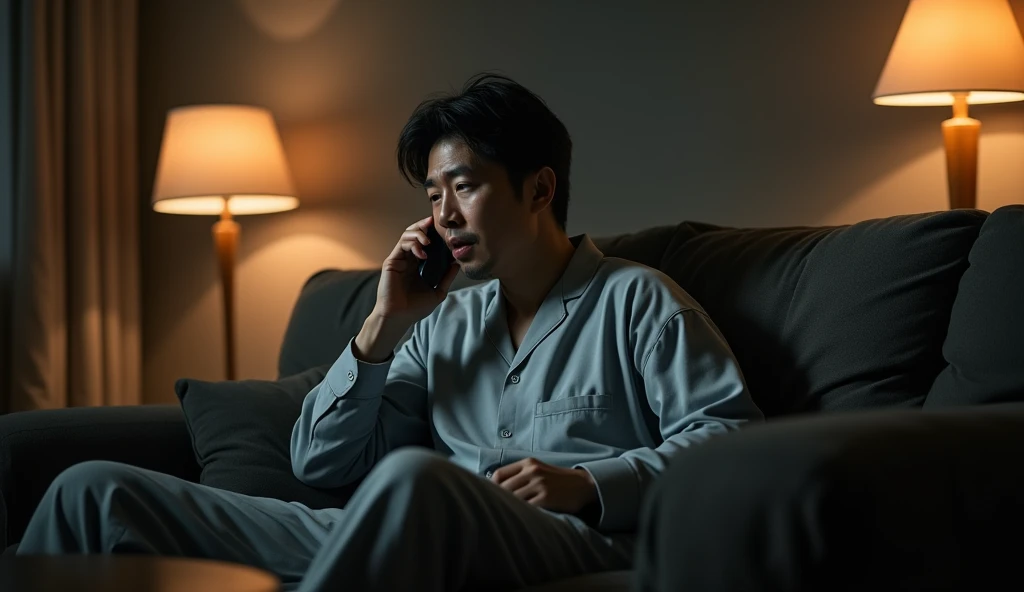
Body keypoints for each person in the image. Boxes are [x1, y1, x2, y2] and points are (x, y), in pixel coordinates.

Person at [17, 73, 763, 591]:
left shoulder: (638, 301)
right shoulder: (443, 323)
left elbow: (733, 443)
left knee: (416, 481)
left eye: (463, 187)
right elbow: (319, 464)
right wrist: (384, 324)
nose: (443, 215)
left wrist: (586, 483)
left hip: (572, 539)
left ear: (539, 188)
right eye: (433, 195)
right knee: (94, 490)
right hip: (410, 527)